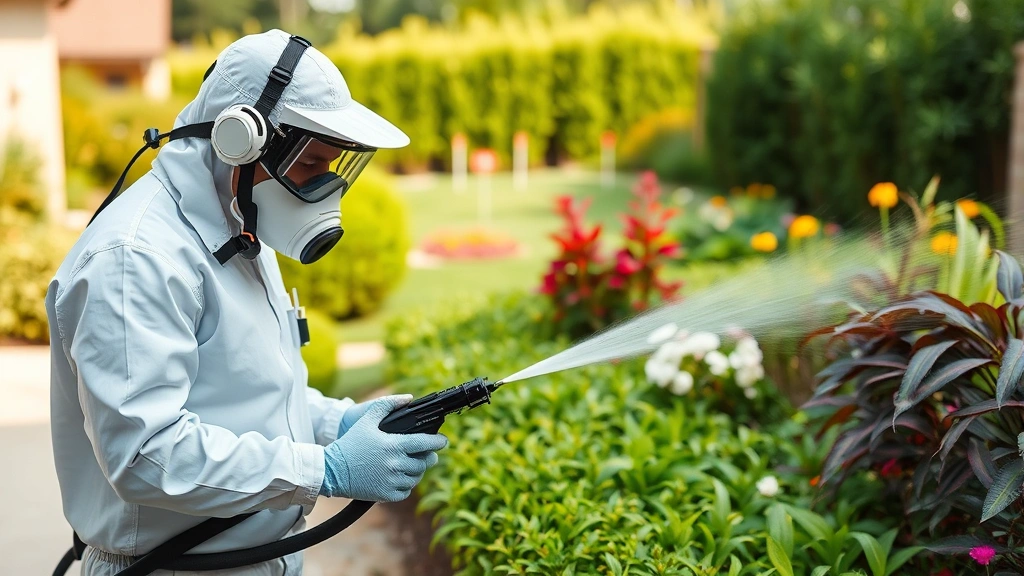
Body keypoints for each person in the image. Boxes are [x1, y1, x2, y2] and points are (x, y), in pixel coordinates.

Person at [45, 30, 447, 576]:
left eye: (332, 168)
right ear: (239, 140)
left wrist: (336, 423)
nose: (324, 188)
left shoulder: (240, 224)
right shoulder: (135, 259)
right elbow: (146, 455)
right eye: (311, 165)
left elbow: (249, 393)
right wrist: (325, 469)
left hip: (258, 561)